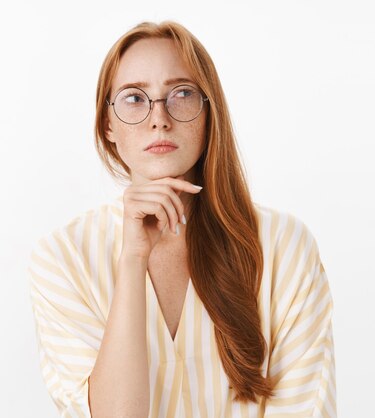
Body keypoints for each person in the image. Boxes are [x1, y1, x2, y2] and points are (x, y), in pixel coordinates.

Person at [27, 20, 336, 418]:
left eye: (182, 94)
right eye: (134, 98)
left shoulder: (284, 246)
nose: (160, 118)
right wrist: (133, 259)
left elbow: (303, 408)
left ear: (209, 113)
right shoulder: (62, 258)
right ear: (108, 125)